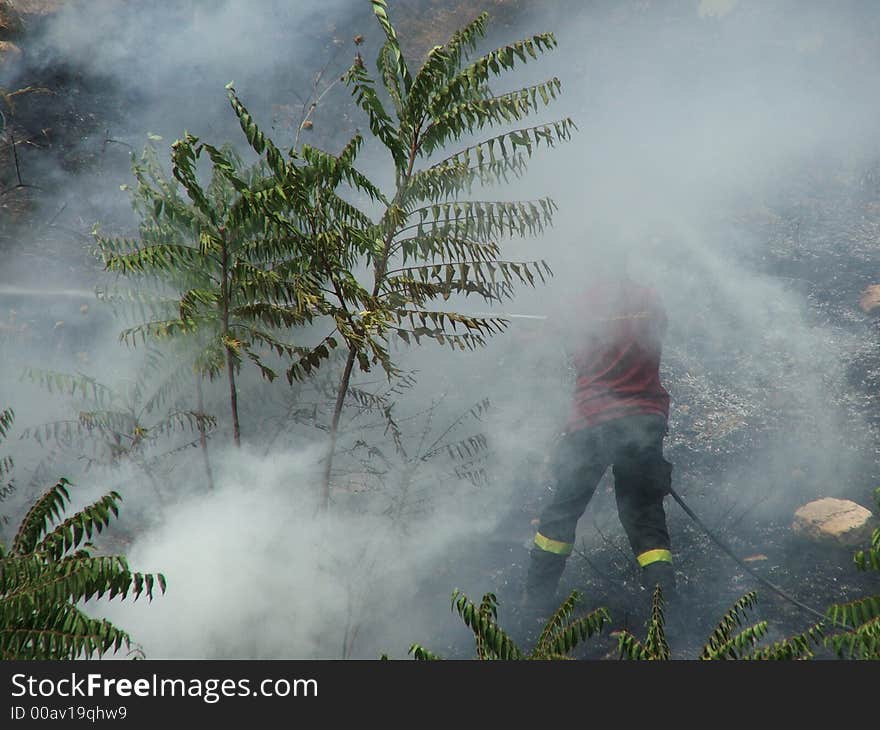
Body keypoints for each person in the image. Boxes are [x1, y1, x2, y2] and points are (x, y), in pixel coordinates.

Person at [518, 249, 676, 621]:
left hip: (591, 422)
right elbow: (656, 334)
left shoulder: (577, 304)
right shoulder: (650, 298)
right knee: (644, 514)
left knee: (563, 512)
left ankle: (534, 606)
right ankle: (666, 610)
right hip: (643, 419)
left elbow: (550, 341)